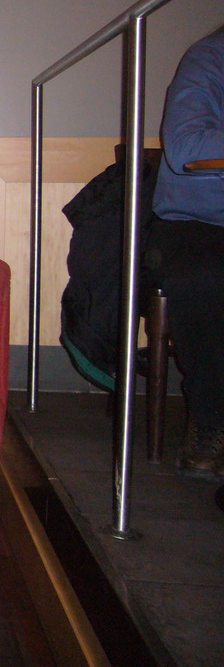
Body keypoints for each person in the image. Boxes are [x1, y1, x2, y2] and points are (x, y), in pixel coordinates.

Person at [145, 27, 224, 481]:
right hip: (197, 221)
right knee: (205, 278)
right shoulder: (209, 59)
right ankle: (210, 418)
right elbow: (186, 147)